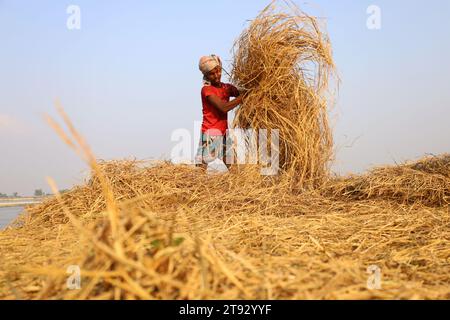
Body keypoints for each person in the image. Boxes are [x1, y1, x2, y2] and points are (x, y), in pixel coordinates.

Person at [195, 55, 243, 168]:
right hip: (209, 135)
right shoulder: (206, 90)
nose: (217, 76)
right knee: (199, 172)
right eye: (212, 73)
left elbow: (240, 92)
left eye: (218, 71)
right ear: (206, 75)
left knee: (235, 169)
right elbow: (223, 107)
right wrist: (242, 98)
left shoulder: (226, 88)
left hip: (224, 135)